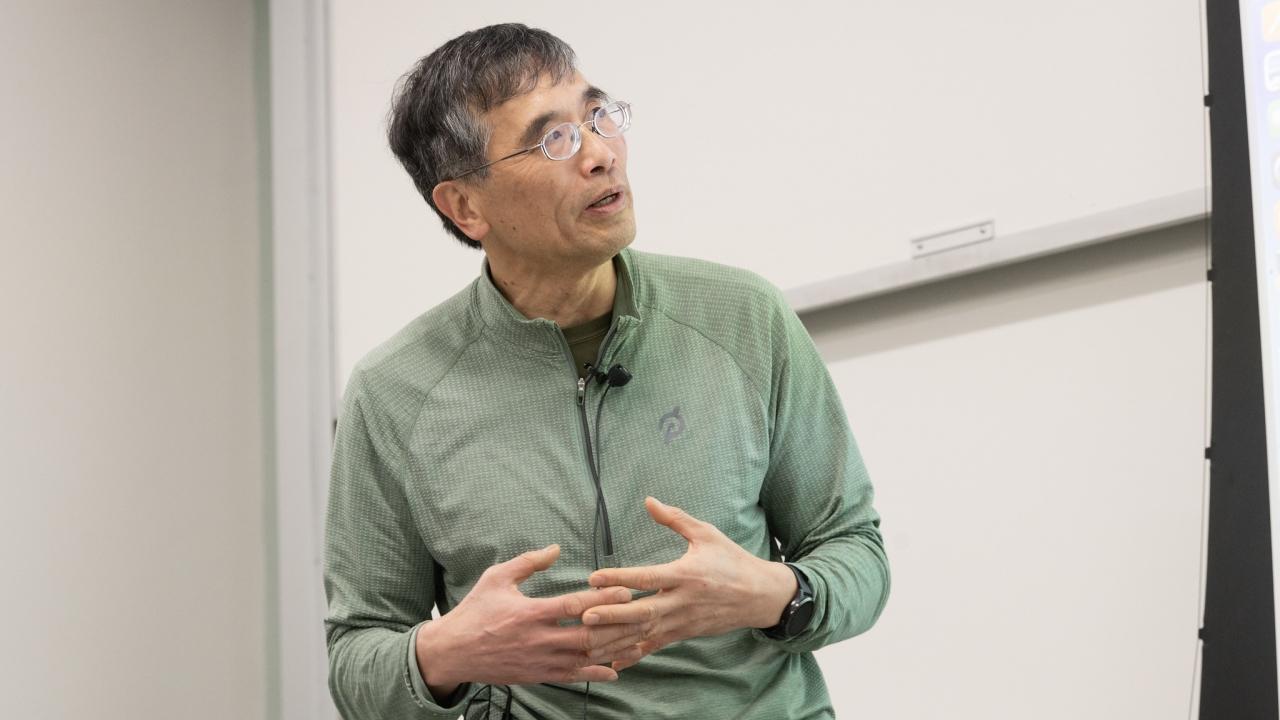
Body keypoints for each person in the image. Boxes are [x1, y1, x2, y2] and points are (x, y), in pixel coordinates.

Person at [323, 22, 890, 720]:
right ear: (466, 206)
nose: (599, 154)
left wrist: (770, 593)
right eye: (552, 139)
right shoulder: (394, 394)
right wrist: (447, 652)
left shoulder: (745, 317)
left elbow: (856, 554)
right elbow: (355, 658)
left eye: (597, 116)